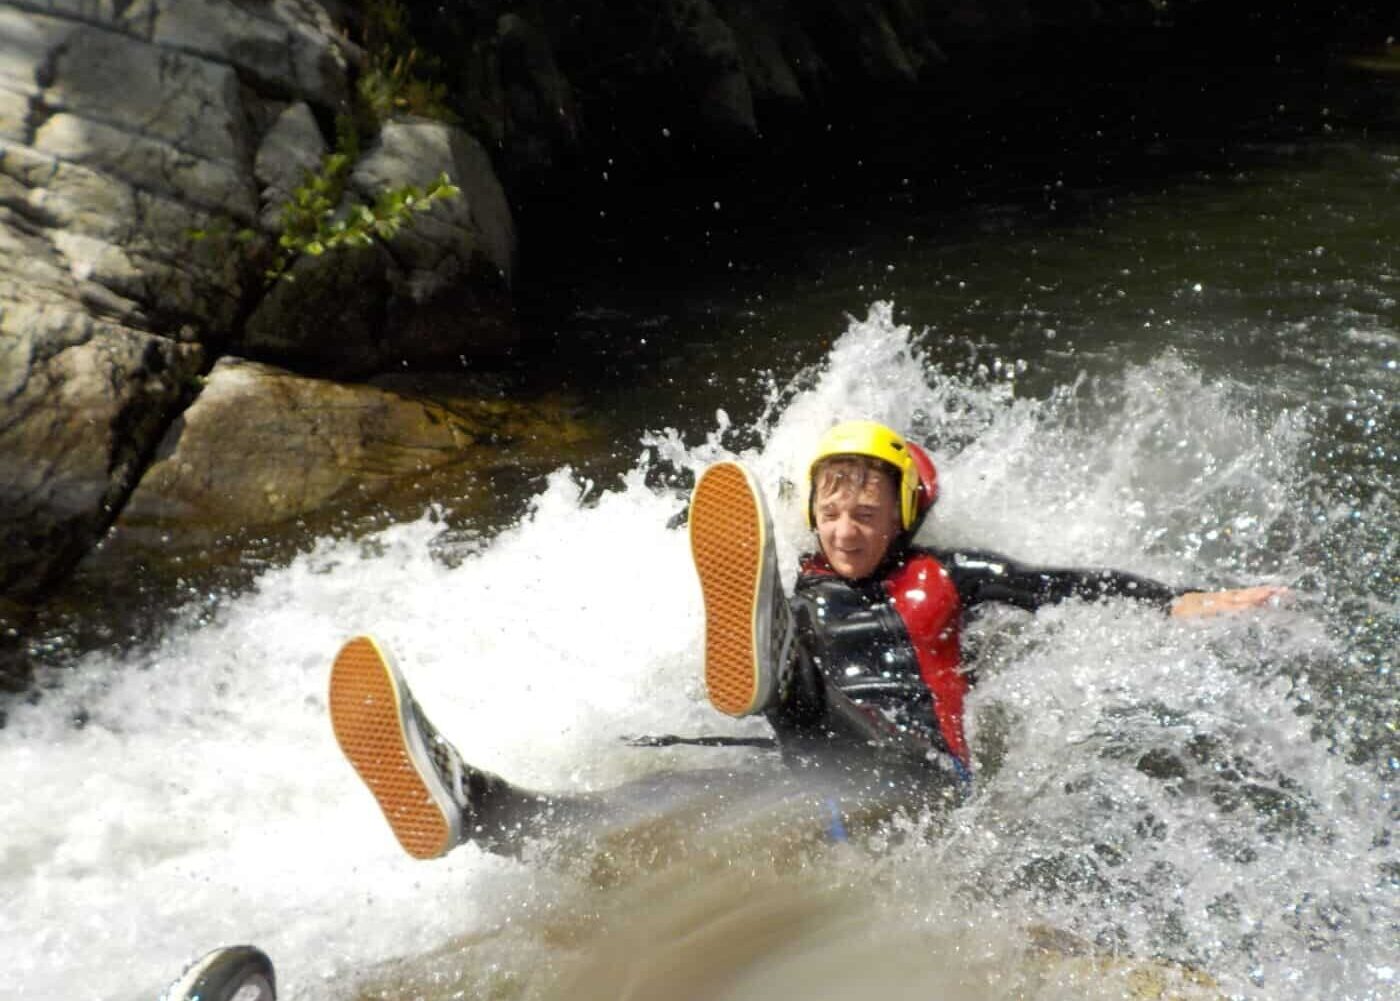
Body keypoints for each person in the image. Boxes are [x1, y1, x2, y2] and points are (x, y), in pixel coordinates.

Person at [329, 420, 1287, 860]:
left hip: (919, 776)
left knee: (793, 691)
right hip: (817, 772)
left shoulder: (946, 576)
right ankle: (476, 805)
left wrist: (1184, 600)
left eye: (866, 504)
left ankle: (769, 671)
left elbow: (1066, 586)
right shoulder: (809, 587)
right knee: (654, 802)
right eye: (830, 505)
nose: (844, 519)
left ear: (904, 512)